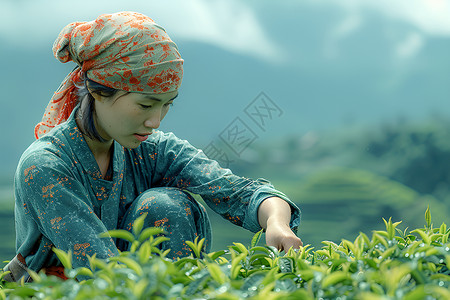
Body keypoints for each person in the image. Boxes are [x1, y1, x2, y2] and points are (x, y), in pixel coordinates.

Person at [3, 11, 301, 282]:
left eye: (166, 105)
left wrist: (276, 222)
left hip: (142, 287)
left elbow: (236, 191)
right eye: (145, 104)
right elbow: (98, 267)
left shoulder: (150, 151)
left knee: (164, 206)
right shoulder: (45, 166)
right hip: (68, 291)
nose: (155, 121)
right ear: (97, 91)